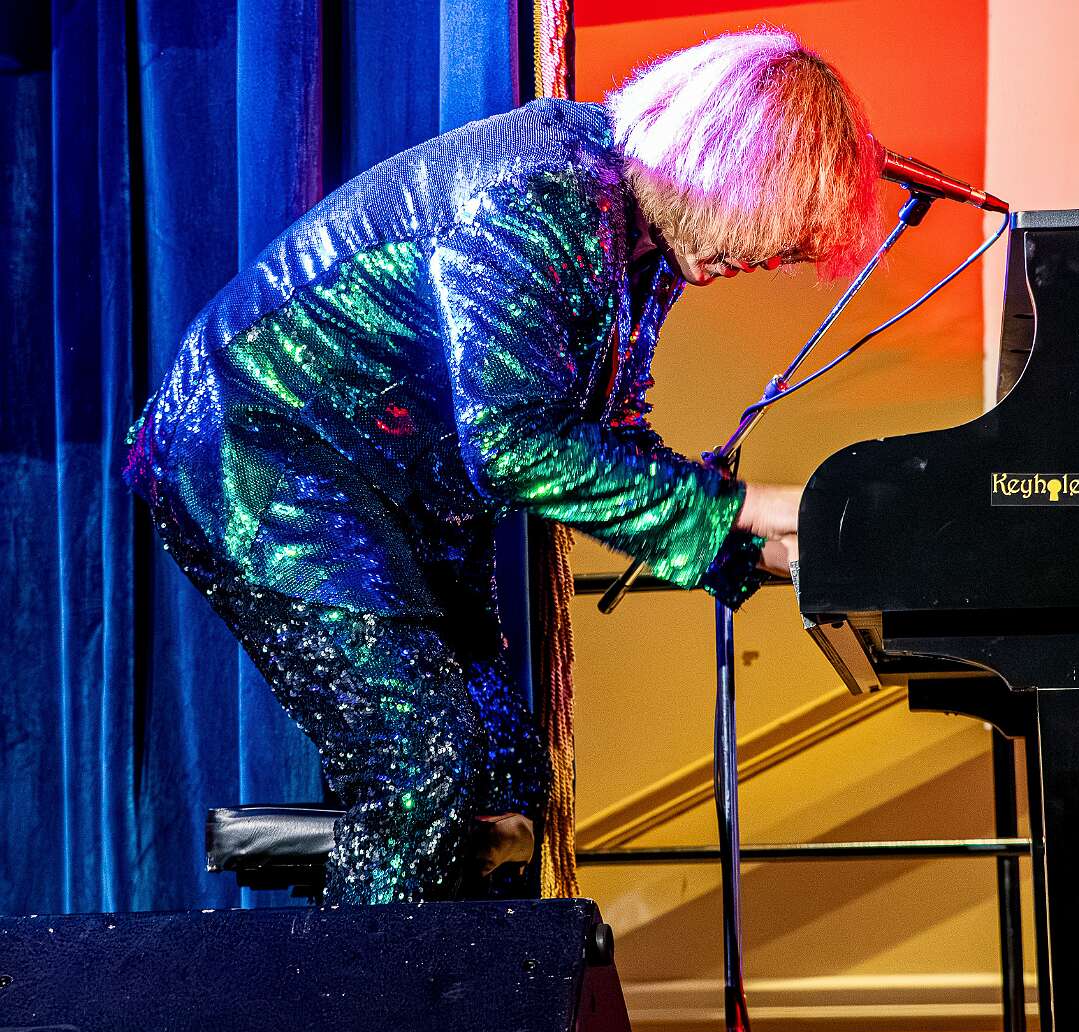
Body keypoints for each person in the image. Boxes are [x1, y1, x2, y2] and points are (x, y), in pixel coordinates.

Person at [122, 28, 883, 904]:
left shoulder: (647, 244)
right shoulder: (541, 191)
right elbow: (516, 445)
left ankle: (455, 983)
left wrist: (779, 554)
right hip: (260, 459)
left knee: (508, 769)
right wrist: (765, 505)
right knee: (423, 767)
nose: (760, 260)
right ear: (716, 159)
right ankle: (367, 990)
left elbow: (606, 439)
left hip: (391, 495)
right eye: (762, 229)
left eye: (782, 251)